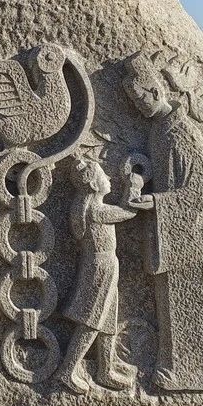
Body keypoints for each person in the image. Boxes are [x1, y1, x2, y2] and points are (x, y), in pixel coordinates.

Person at [121, 52, 203, 393]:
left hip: (185, 232)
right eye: (133, 102)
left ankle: (202, 369)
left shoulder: (181, 132)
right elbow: (167, 176)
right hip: (169, 230)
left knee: (189, 303)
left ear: (156, 91)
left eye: (140, 99)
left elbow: (201, 192)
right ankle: (176, 367)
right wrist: (144, 177)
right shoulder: (160, 131)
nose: (138, 106)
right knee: (171, 306)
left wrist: (156, 201)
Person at [55, 158, 137, 393]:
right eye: (104, 175)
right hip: (101, 267)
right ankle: (67, 370)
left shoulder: (85, 206)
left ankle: (106, 369)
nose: (108, 178)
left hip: (104, 265)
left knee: (108, 319)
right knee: (92, 321)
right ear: (93, 184)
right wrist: (134, 186)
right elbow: (128, 212)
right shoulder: (96, 210)